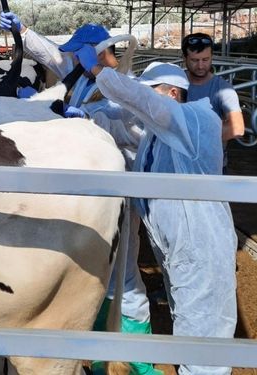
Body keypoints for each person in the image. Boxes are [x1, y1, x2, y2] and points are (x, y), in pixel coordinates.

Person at [0, 14, 161, 375]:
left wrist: (82, 120)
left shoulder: (126, 85)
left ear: (96, 53)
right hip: (95, 194)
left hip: (122, 193)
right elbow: (54, 57)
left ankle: (135, 359)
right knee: (99, 272)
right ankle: (106, 352)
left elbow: (133, 135)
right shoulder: (87, 78)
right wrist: (21, 30)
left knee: (125, 274)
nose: (71, 61)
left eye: (79, 55)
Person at [75, 45, 238, 375]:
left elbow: (143, 102)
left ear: (173, 93)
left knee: (204, 343)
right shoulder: (156, 134)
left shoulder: (197, 119)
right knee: (187, 323)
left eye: (151, 92)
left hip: (201, 248)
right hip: (177, 250)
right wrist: (87, 119)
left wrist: (99, 72)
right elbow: (123, 127)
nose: (142, 103)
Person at [181, 32, 244, 143]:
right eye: (195, 60)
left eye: (205, 60)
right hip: (178, 157)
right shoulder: (176, 83)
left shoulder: (223, 89)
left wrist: (195, 140)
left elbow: (237, 128)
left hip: (210, 158)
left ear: (212, 58)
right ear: (184, 58)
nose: (200, 66)